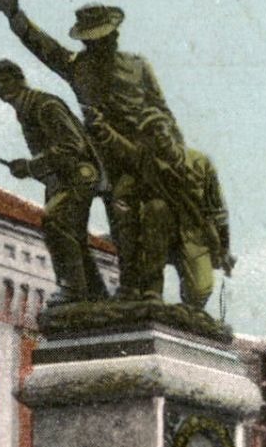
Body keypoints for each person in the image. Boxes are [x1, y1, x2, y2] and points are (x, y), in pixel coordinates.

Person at [0, 0, 181, 298]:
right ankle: (121, 289)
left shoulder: (138, 66)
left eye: (103, 37)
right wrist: (15, 15)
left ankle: (143, 289)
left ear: (114, 34)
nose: (99, 43)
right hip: (102, 157)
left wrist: (170, 151)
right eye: (92, 39)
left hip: (141, 153)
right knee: (118, 221)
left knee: (144, 220)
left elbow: (161, 110)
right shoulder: (77, 65)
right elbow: (43, 46)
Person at [0, 59, 108, 303]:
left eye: (6, 82)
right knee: (72, 235)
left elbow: (73, 145)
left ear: (20, 79)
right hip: (60, 179)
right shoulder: (27, 108)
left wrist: (31, 166)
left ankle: (73, 288)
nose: (2, 90)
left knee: (56, 222)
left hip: (76, 176)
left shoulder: (44, 104)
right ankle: (95, 293)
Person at [87, 108, 233, 309]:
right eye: (152, 134)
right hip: (161, 231)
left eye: (161, 130)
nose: (159, 136)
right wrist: (102, 130)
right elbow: (124, 148)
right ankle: (152, 289)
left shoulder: (201, 163)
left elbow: (219, 212)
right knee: (156, 208)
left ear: (172, 132)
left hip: (194, 236)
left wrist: (224, 249)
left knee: (198, 294)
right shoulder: (148, 162)